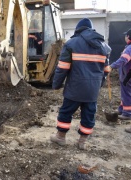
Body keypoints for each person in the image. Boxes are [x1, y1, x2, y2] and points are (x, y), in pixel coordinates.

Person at [50, 18, 111, 150]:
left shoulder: (71, 43)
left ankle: (60, 137)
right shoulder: (103, 46)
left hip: (74, 88)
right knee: (89, 114)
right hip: (92, 91)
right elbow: (106, 70)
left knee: (66, 112)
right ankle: (82, 142)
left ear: (78, 30)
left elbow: (62, 68)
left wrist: (56, 84)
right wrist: (98, 85)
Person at [108, 28, 131, 122]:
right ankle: (122, 109)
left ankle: (127, 113)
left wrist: (112, 66)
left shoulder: (129, 48)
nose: (125, 37)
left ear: (128, 37)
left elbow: (123, 60)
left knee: (127, 93)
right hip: (126, 75)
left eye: (126, 35)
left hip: (128, 76)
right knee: (125, 93)